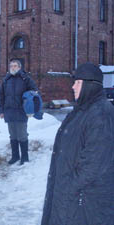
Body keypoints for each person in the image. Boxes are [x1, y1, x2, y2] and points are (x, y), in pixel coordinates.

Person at [41, 62, 114, 225]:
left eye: (78, 82)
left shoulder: (100, 113)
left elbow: (94, 164)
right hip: (72, 196)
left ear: (90, 85)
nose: (73, 87)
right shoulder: (82, 109)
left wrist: (69, 186)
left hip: (85, 201)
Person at [0, 59, 38, 165]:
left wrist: (30, 107)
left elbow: (34, 92)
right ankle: (15, 156)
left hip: (21, 111)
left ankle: (24, 158)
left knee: (22, 135)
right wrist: (0, 110)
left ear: (20, 67)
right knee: (13, 135)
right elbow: (0, 96)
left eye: (15, 66)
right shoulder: (6, 80)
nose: (13, 68)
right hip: (9, 111)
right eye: (11, 66)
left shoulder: (25, 79)